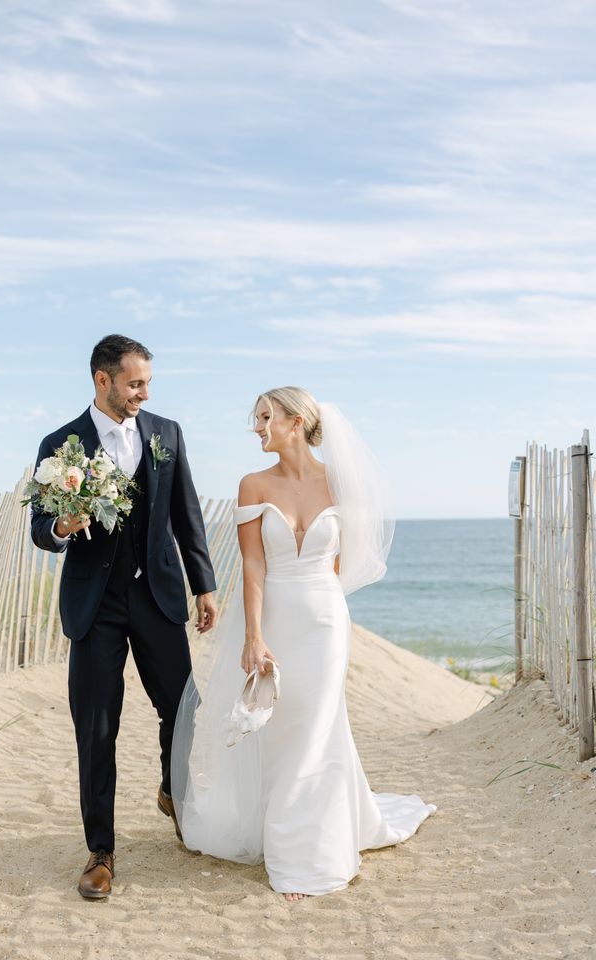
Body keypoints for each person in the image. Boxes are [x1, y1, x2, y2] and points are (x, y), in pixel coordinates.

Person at [172, 387, 436, 901]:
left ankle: (305, 857)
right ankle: (301, 829)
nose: (257, 428)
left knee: (316, 727)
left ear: (296, 422)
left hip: (324, 621)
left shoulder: (340, 483)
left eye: (265, 417)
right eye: (256, 418)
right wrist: (254, 634)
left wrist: (320, 597)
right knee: (282, 729)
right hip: (274, 616)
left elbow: (343, 561)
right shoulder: (251, 484)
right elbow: (253, 565)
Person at [31, 334, 217, 899]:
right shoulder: (61, 443)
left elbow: (186, 513)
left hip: (158, 595)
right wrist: (64, 525)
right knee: (97, 724)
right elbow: (41, 526)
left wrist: (203, 584)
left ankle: (172, 791)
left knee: (183, 709)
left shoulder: (166, 433)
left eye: (147, 384)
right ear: (102, 380)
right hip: (96, 602)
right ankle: (101, 850)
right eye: (134, 383)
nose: (143, 393)